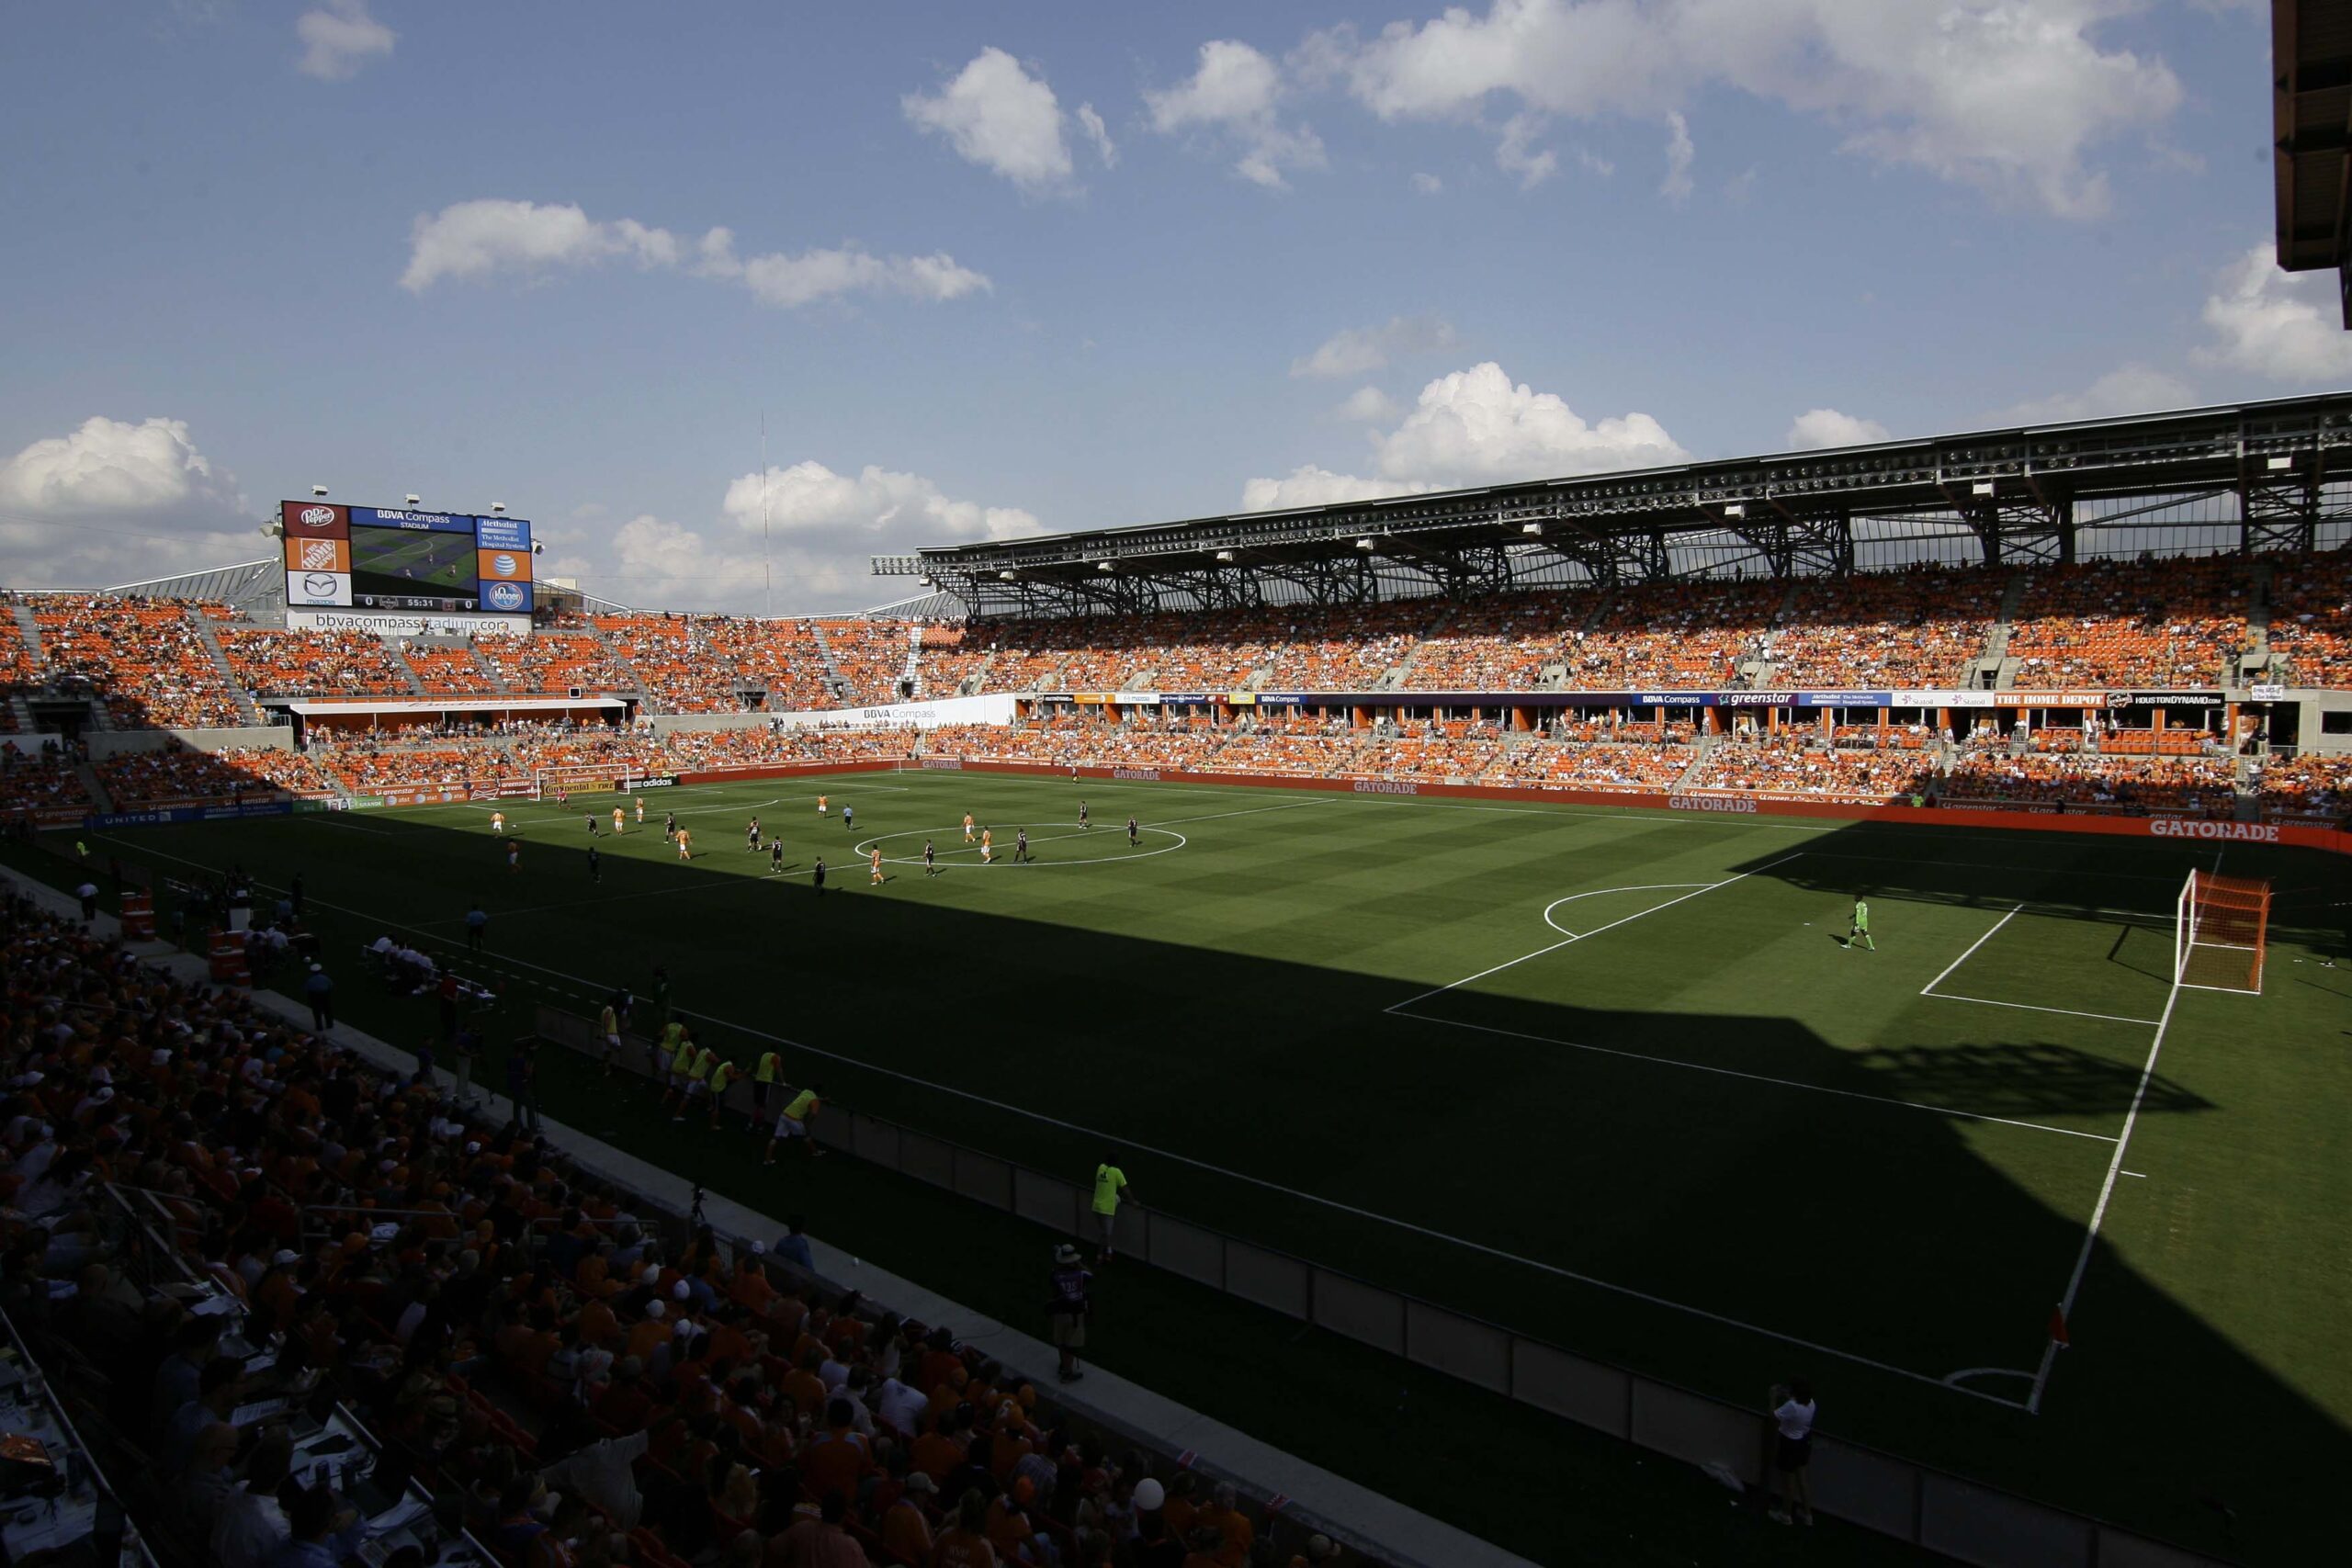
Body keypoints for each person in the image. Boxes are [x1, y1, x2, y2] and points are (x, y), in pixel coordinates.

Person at [1769, 1378, 1816, 1525]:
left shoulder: (1792, 1406)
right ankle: (1807, 1515)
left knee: (1788, 1483)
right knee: (1802, 1480)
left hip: (1789, 1445)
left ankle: (1785, 1515)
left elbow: (1773, 1416)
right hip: (1803, 1442)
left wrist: (1772, 1397)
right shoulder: (1812, 1404)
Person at [1046, 1244, 1091, 1383]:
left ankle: (1063, 1365)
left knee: (1061, 1340)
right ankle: (1067, 1372)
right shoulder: (1081, 1274)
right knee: (1071, 1345)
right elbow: (1090, 1275)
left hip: (1059, 1312)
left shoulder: (1055, 1274)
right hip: (1075, 1314)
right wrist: (1078, 1264)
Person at [765, 1083, 823, 1165]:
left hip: (784, 1115)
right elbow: (814, 1113)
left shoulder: (805, 1091)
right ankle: (815, 1152)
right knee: (806, 1134)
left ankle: (768, 1159)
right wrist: (807, 1125)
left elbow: (809, 1099)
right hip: (794, 1120)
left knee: (776, 1137)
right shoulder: (815, 1101)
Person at [1091, 1160, 1130, 1259]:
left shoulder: (1101, 1167)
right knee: (1105, 1234)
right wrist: (1133, 1202)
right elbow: (1125, 1189)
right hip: (1107, 1210)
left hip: (1096, 1206)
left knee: (1104, 1232)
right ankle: (1101, 1256)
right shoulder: (1117, 1172)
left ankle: (1108, 1251)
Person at [752, 1050, 783, 1135]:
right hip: (765, 1082)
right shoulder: (775, 1057)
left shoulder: (764, 1054)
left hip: (758, 1080)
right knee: (762, 1106)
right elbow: (778, 1069)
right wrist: (783, 1082)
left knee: (757, 1104)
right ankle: (759, 1126)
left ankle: (751, 1124)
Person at [707, 1055, 739, 1131]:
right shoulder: (729, 1067)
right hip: (717, 1089)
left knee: (716, 1105)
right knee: (716, 1109)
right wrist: (743, 1074)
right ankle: (713, 1125)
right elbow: (732, 1078)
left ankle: (711, 1108)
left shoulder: (725, 1064)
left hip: (715, 1087)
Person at [304, 963, 334, 1032]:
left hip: (314, 996)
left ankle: (319, 1026)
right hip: (325, 995)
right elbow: (331, 985)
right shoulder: (325, 978)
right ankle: (329, 1024)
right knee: (328, 1010)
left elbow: (306, 989)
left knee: (317, 1011)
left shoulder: (310, 980)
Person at [600, 998, 622, 1077]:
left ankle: (607, 1070)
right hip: (611, 1035)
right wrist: (607, 1035)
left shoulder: (604, 1011)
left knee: (607, 1054)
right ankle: (614, 1067)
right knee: (617, 1049)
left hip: (606, 1034)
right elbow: (607, 1022)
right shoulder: (610, 1010)